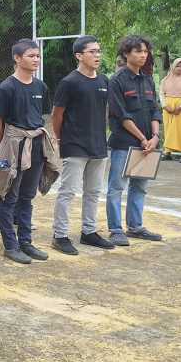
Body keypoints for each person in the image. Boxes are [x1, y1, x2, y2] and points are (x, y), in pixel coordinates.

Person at [0, 39, 59, 264]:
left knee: (27, 197)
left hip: (36, 147)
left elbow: (42, 116)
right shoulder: (6, 87)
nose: (36, 59)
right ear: (17, 58)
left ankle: (26, 242)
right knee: (9, 196)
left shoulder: (41, 87)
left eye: (38, 56)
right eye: (31, 56)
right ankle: (10, 246)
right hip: (14, 147)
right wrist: (5, 147)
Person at [50, 36, 115, 256]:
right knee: (68, 192)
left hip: (98, 146)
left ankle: (89, 232)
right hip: (75, 145)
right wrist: (61, 139)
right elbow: (57, 115)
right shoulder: (70, 82)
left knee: (93, 192)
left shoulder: (104, 81)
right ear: (79, 55)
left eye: (99, 51)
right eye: (92, 51)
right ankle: (60, 235)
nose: (97, 55)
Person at [105, 34, 164, 245]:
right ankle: (115, 229)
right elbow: (121, 115)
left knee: (139, 186)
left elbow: (154, 110)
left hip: (148, 145)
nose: (143, 55)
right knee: (116, 187)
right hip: (124, 143)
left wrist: (154, 137)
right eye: (138, 51)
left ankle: (135, 226)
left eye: (145, 51)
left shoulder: (148, 80)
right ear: (126, 53)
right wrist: (142, 138)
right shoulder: (116, 81)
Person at [159, 58, 181, 162]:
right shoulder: (166, 80)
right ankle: (167, 152)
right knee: (168, 128)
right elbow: (161, 93)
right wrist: (165, 106)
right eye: (177, 66)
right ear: (173, 67)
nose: (179, 68)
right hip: (168, 109)